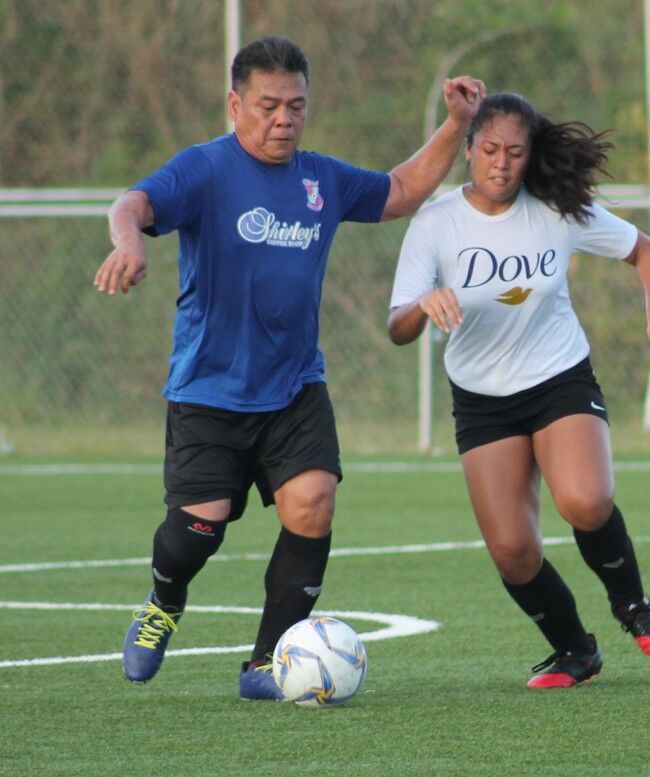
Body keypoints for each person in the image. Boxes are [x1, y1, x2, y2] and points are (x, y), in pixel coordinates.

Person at [94, 35, 486, 700]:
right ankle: (163, 602)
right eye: (269, 105)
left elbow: (400, 191)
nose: (284, 119)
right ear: (235, 104)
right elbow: (130, 204)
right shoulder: (205, 170)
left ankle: (265, 663)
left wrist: (456, 123)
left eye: (296, 106)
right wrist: (129, 243)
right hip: (209, 390)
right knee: (197, 531)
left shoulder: (320, 180)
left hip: (293, 386)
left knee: (312, 504)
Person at [387, 92, 650, 689]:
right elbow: (396, 327)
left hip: (558, 379)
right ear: (468, 150)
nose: (501, 163)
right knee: (513, 551)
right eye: (489, 150)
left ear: (529, 155)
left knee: (586, 500)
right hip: (482, 402)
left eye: (514, 151)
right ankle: (573, 650)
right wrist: (421, 307)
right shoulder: (435, 223)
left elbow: (643, 250)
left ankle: (632, 604)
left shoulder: (554, 209)